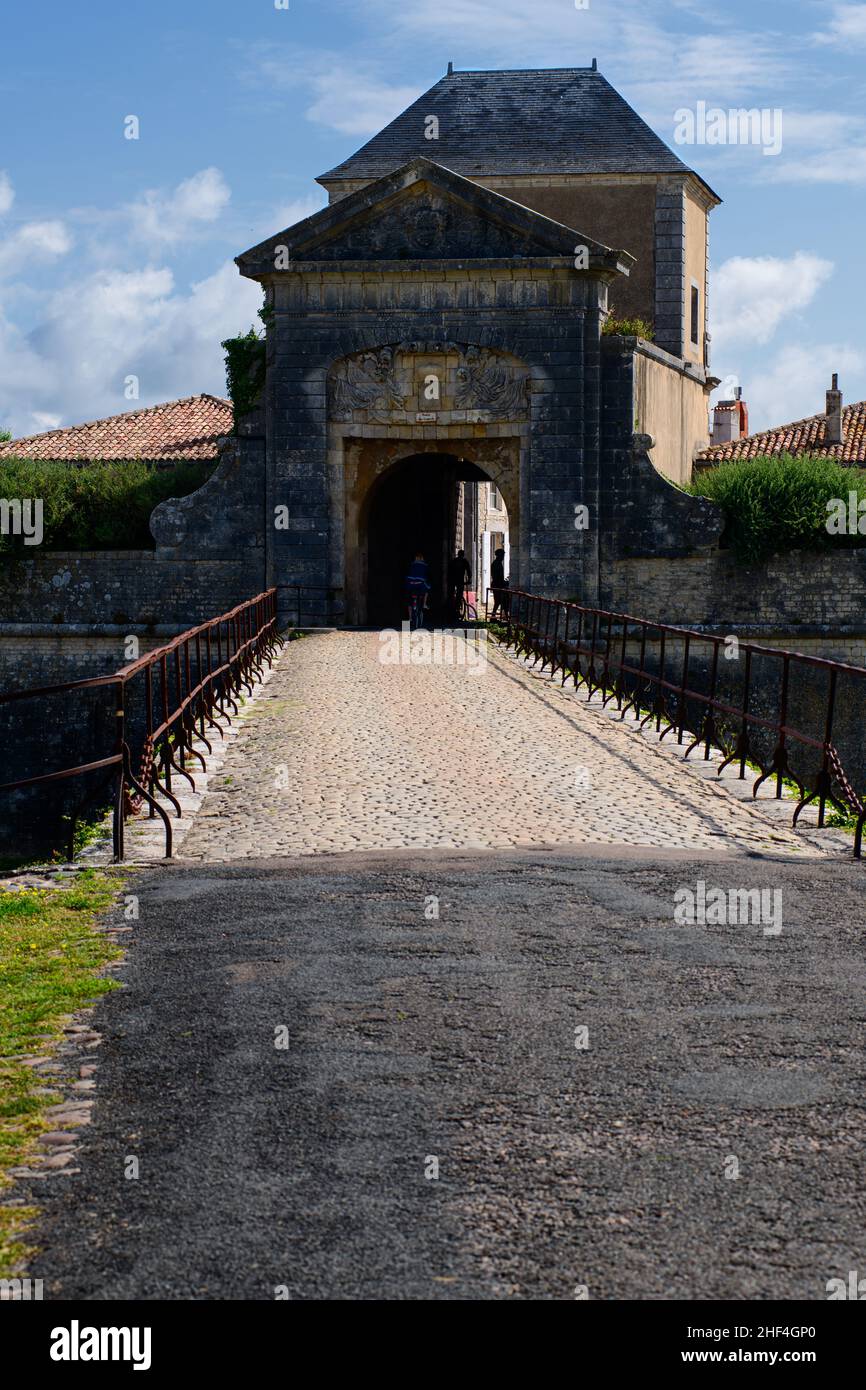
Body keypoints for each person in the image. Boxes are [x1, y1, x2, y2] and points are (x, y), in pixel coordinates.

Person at [404, 551, 431, 630]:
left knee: (409, 601)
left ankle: (410, 618)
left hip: (410, 583)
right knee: (427, 590)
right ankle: (424, 604)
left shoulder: (412, 564)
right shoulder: (425, 565)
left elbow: (408, 572)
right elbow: (428, 574)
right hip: (420, 583)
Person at [447, 548, 472, 619]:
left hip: (452, 580)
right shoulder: (464, 561)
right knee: (459, 595)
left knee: (451, 594)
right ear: (463, 555)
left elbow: (449, 570)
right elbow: (468, 571)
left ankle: (452, 608)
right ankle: (457, 609)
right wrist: (469, 579)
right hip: (460, 580)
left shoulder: (454, 561)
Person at [490, 547, 508, 619]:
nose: (503, 557)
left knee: (500, 601)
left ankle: (498, 616)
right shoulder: (496, 564)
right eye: (502, 555)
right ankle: (495, 616)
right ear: (499, 555)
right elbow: (497, 576)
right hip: (497, 585)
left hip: (498, 584)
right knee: (499, 601)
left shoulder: (498, 563)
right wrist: (503, 583)